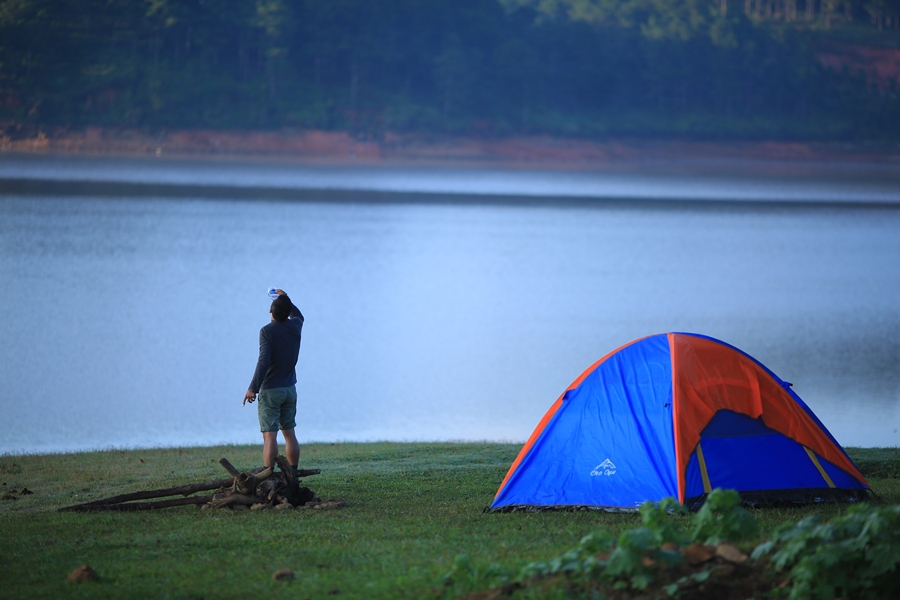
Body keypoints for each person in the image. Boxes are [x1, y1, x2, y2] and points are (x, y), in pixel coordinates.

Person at [243, 288, 304, 470]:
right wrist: (286, 299)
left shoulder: (266, 332)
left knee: (270, 436)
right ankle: (293, 474)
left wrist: (252, 387)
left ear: (270, 311)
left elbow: (264, 362)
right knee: (289, 434)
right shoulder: (296, 327)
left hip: (270, 390)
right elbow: (298, 315)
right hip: (289, 389)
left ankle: (268, 476)